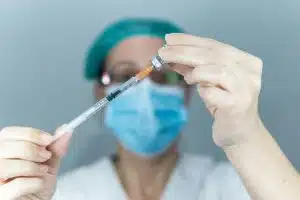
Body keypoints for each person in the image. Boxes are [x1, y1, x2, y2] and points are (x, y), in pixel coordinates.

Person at [0, 18, 299, 200]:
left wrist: (248, 137)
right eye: (124, 75)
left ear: (188, 92)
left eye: (165, 77)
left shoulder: (229, 185)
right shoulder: (60, 193)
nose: (143, 89)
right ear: (100, 92)